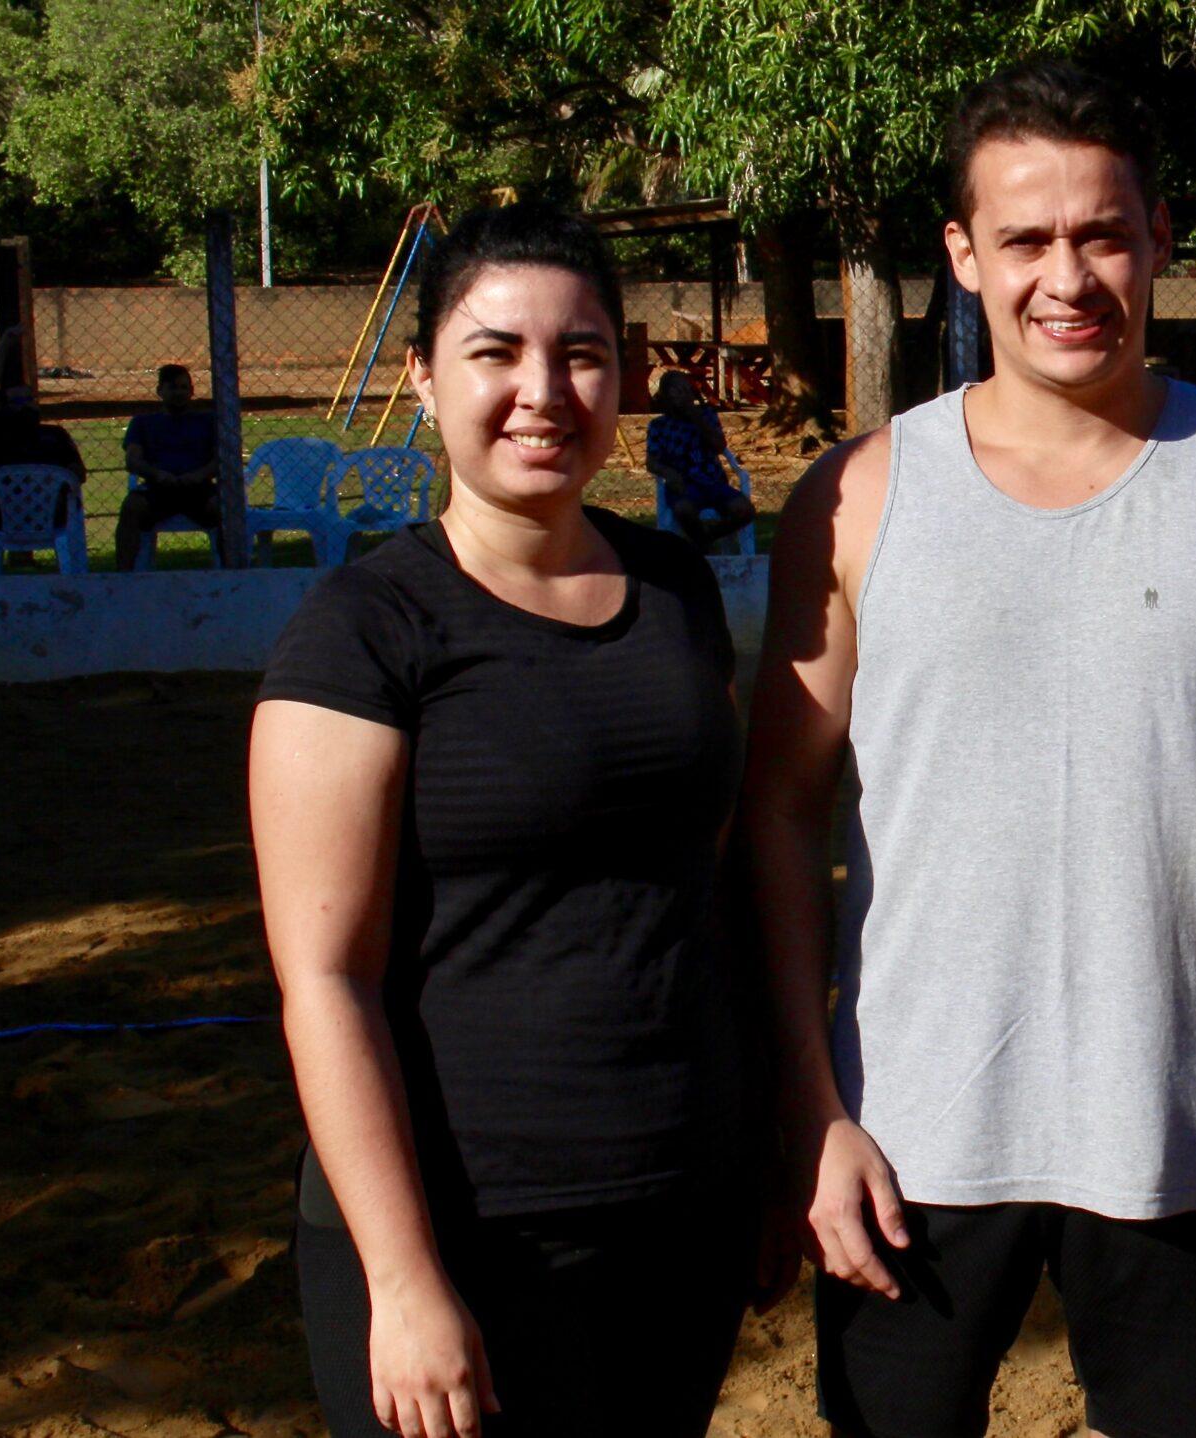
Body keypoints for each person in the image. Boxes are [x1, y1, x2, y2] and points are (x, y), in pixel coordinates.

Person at [741, 60, 1196, 1438]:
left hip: (1175, 1125)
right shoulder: (858, 497)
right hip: (906, 1136)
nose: (1068, 277)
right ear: (963, 254)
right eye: (1026, 239)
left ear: (1158, 237)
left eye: (1103, 234)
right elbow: (777, 813)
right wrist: (811, 1109)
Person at [251, 202, 783, 1438]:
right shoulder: (360, 632)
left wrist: (755, 1156)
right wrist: (404, 1281)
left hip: (674, 1212)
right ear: (422, 377)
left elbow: (707, 897)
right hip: (463, 1233)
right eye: (494, 351)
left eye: (580, 352)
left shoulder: (675, 592)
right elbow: (325, 979)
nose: (542, 391)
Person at [117, 363, 225, 568]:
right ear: (160, 391)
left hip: (198, 489)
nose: (179, 393)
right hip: (158, 489)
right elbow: (132, 460)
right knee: (131, 507)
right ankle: (124, 575)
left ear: (192, 391)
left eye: (184, 387)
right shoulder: (142, 423)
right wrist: (158, 475)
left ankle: (232, 570)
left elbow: (221, 459)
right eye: (173, 387)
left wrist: (199, 475)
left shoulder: (208, 421)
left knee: (226, 509)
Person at [645, 368, 758, 550]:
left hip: (714, 483)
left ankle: (707, 538)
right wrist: (669, 473)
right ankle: (702, 545)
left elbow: (719, 446)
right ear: (665, 397)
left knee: (745, 511)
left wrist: (696, 417)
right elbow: (652, 462)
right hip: (684, 486)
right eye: (677, 391)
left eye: (686, 390)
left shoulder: (707, 415)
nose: (683, 396)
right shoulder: (659, 425)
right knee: (683, 510)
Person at [0, 328, 86, 477]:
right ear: (3, 407)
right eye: (18, 400)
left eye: (29, 399)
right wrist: (5, 342)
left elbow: (79, 474)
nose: (25, 405)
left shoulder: (56, 435)